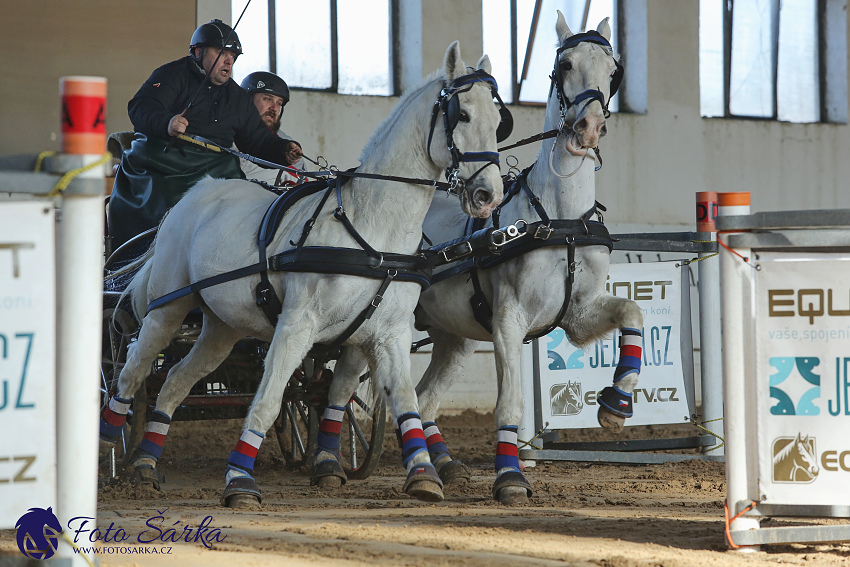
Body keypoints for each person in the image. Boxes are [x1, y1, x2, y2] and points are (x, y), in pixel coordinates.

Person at [107, 19, 303, 251]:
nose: (229, 61)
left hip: (219, 171)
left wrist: (283, 151)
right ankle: (141, 259)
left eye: (233, 56)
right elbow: (140, 107)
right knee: (169, 211)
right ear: (198, 51)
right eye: (222, 53)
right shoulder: (171, 74)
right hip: (165, 166)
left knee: (248, 207)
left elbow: (257, 140)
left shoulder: (238, 97)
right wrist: (167, 122)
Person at [238, 71, 306, 186]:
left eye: (279, 103)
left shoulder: (288, 147)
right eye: (267, 99)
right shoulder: (227, 131)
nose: (274, 108)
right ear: (247, 101)